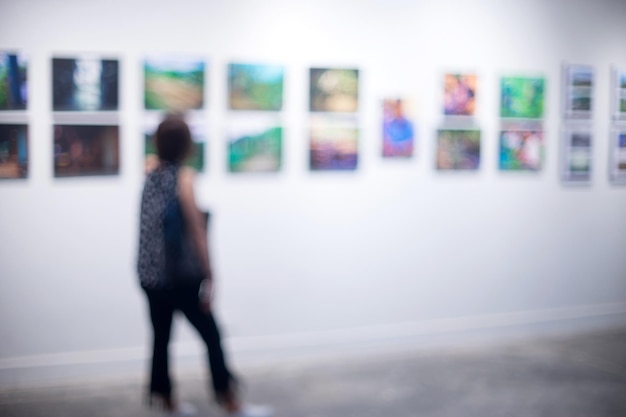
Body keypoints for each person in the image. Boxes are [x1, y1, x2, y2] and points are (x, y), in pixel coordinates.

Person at [138, 115, 271, 417]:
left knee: (161, 339)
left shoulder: (150, 172)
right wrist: (210, 274)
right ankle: (230, 401)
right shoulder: (184, 178)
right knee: (211, 335)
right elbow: (197, 230)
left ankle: (166, 402)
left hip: (149, 276)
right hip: (179, 277)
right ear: (187, 144)